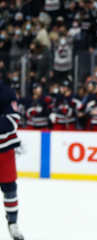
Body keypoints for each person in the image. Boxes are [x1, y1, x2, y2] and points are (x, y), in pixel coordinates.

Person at [0, 81, 24, 239]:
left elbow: (12, 120)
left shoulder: (6, 92)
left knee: (9, 187)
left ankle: (13, 223)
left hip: (4, 148)